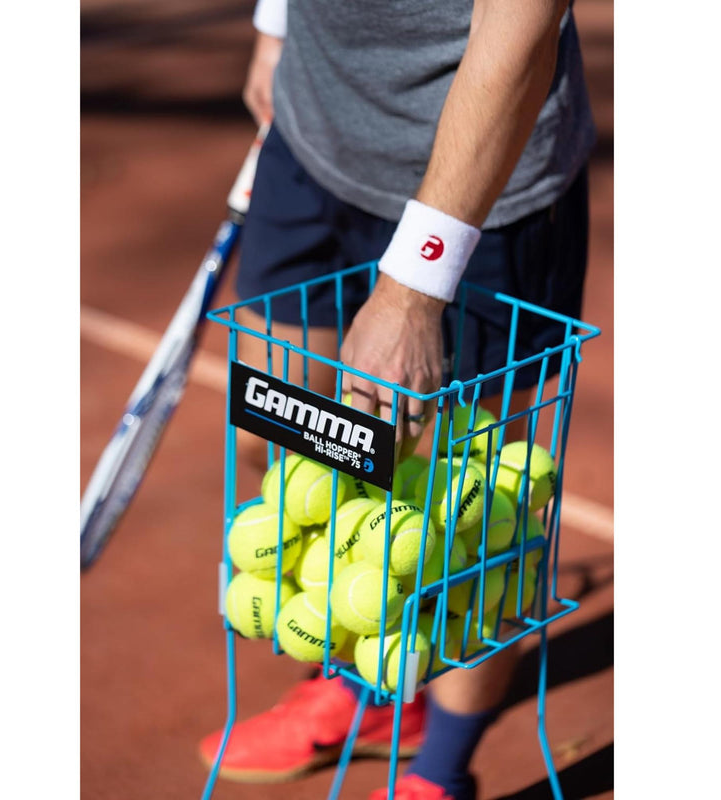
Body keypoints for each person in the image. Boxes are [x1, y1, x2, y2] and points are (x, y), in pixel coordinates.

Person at [200, 1, 595, 798]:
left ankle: (441, 770)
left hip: (482, 192)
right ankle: (370, 692)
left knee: (474, 520)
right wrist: (275, 27)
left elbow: (517, 39)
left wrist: (415, 288)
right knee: (293, 446)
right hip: (311, 140)